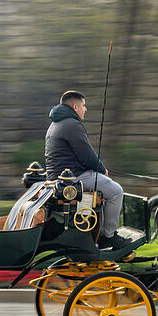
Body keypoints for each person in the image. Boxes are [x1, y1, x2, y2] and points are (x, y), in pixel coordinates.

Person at [44, 90, 125, 250]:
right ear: (75, 106)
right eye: (83, 106)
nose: (85, 109)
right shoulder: (72, 124)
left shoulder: (56, 124)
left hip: (61, 176)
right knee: (116, 191)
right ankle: (108, 237)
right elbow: (86, 155)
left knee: (103, 192)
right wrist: (102, 170)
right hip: (73, 177)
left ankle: (96, 235)